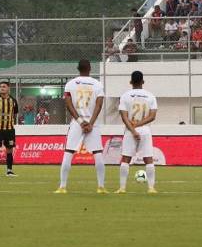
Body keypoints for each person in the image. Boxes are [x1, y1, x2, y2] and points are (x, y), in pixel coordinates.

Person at [56, 60, 107, 193]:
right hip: (92, 124)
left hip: (76, 124)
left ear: (78, 69)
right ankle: (101, 187)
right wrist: (91, 123)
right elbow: (99, 105)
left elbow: (68, 104)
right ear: (90, 68)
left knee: (68, 152)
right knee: (98, 154)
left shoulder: (70, 84)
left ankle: (62, 187)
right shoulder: (97, 84)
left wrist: (79, 121)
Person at [116, 70, 158, 194]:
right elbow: (152, 116)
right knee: (148, 159)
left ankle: (122, 188)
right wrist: (139, 125)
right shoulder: (150, 96)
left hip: (130, 130)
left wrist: (133, 130)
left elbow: (124, 117)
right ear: (143, 82)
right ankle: (151, 188)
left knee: (125, 159)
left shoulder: (125, 96)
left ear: (130, 82)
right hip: (145, 130)